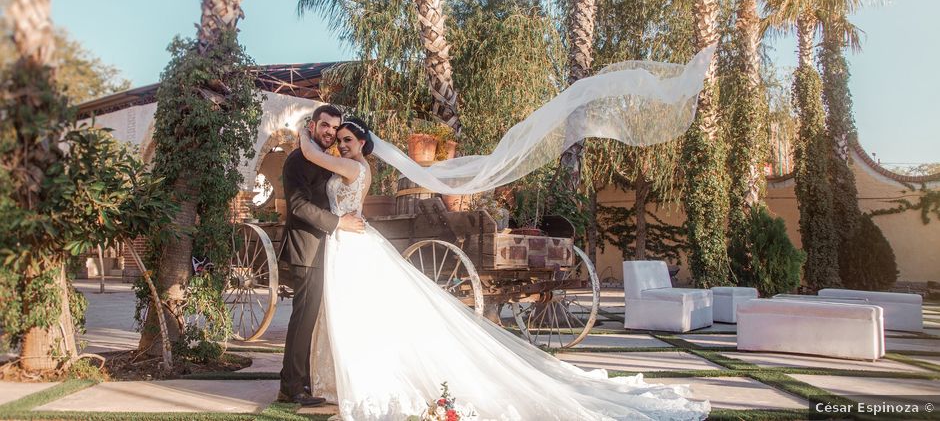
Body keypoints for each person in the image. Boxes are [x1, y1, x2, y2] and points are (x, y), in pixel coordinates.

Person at [297, 115, 710, 421]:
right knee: (352, 313)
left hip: (351, 242)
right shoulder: (348, 164)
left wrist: (302, 131)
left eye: (350, 139)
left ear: (364, 146)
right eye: (342, 139)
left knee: (358, 312)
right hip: (346, 242)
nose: (344, 144)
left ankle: (361, 381)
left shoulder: (354, 167)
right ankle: (333, 379)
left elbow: (312, 153)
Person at [278, 104, 366, 407]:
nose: (330, 131)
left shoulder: (326, 158)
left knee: (309, 319)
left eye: (335, 127)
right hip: (306, 248)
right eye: (325, 125)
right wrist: (339, 223)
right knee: (303, 318)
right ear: (313, 125)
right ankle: (292, 387)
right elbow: (299, 207)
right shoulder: (296, 162)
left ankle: (298, 379)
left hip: (325, 248)